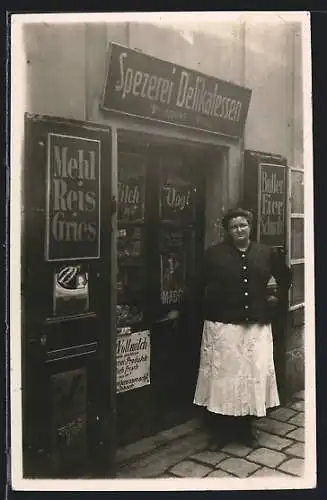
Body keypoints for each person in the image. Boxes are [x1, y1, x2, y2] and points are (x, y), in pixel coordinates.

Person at [193, 207, 291, 448]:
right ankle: (221, 433)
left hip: (255, 326)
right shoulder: (213, 255)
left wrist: (274, 299)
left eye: (243, 225)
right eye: (234, 226)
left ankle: (246, 430)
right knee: (224, 379)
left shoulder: (265, 253)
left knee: (250, 376)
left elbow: (285, 278)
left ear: (251, 227)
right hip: (223, 326)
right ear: (227, 230)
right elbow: (196, 284)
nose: (240, 230)